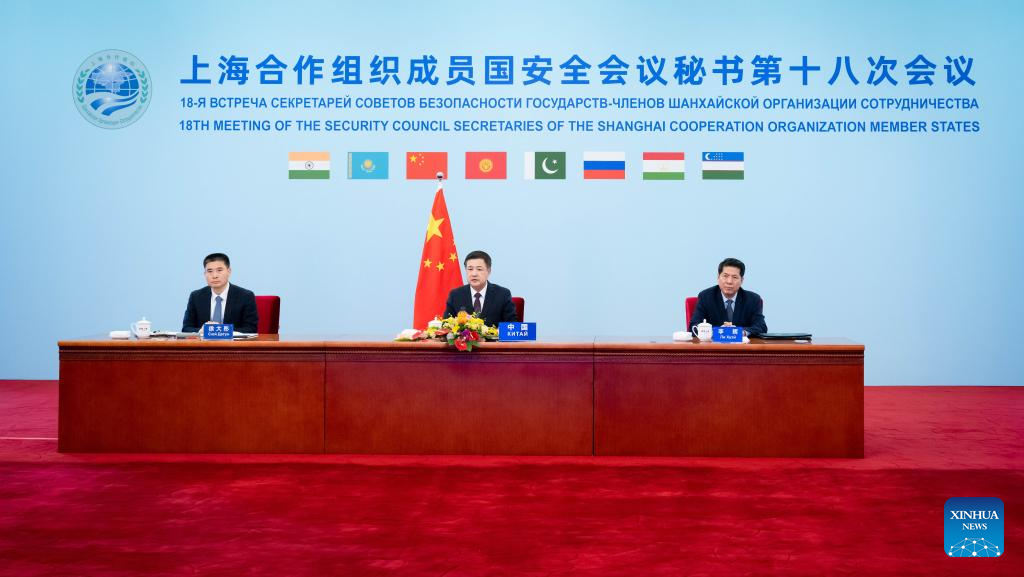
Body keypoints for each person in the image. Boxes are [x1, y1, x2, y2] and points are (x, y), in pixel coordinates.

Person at [181, 253, 259, 333]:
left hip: (232, 341)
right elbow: (186, 328)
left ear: (229, 271)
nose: (214, 276)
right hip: (204, 341)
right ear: (205, 274)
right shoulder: (196, 297)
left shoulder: (245, 296)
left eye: (219, 270)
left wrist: (220, 330)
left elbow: (251, 329)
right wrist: (201, 331)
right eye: (210, 271)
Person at [689, 257, 767, 335]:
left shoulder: (753, 299)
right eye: (725, 276)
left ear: (742, 280)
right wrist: (719, 331)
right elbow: (694, 326)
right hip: (713, 342)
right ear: (718, 277)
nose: (729, 281)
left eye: (735, 277)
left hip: (741, 342)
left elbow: (761, 327)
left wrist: (740, 332)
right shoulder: (705, 296)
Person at [443, 250, 518, 326]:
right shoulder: (455, 295)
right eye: (470, 269)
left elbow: (512, 325)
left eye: (479, 269)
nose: (474, 274)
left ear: (488, 271)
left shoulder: (502, 294)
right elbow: (446, 324)